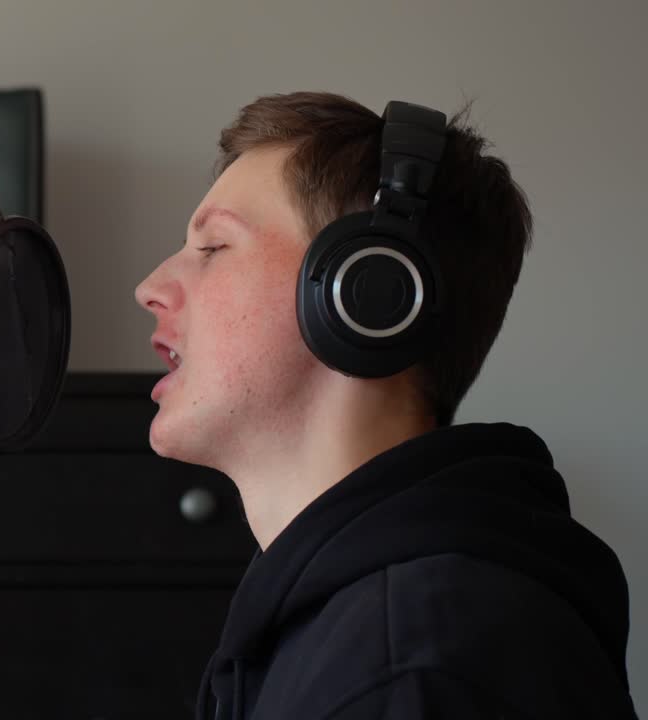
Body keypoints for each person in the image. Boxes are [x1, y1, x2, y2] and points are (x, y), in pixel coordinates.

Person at [134, 91, 637, 719]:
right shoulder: (342, 627)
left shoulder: (409, 668)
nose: (149, 288)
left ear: (368, 294)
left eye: (213, 248)